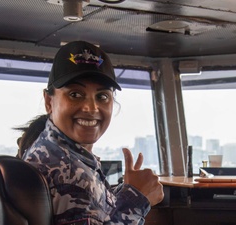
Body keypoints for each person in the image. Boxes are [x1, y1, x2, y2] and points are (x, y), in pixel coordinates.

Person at [18, 41, 164, 225]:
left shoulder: (51, 150)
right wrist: (136, 198)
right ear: (49, 101)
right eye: (75, 94)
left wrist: (122, 193)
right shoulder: (71, 174)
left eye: (102, 96)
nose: (91, 107)